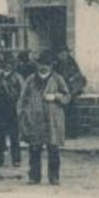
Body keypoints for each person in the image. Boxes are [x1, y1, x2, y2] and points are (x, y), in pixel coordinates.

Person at [17, 50, 72, 185]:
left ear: (51, 66)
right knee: (34, 149)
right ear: (37, 65)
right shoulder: (30, 80)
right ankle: (34, 177)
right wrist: (22, 114)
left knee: (53, 149)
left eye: (47, 65)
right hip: (34, 119)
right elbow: (22, 98)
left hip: (52, 120)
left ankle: (54, 177)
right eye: (41, 64)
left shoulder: (57, 79)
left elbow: (67, 97)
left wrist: (56, 97)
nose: (44, 67)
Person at [54, 44, 88, 138]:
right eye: (60, 54)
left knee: (71, 112)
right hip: (63, 92)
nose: (62, 55)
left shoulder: (71, 63)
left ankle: (72, 133)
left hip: (71, 91)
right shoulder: (57, 64)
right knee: (62, 113)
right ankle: (64, 133)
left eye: (63, 53)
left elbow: (76, 76)